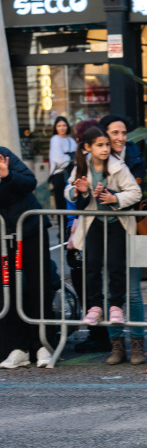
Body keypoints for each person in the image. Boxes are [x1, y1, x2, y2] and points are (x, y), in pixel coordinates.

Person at [65, 127, 142, 365]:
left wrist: (114, 198)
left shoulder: (118, 166)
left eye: (106, 145)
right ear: (87, 147)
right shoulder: (81, 167)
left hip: (116, 222)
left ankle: (116, 305)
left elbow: (135, 192)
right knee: (92, 265)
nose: (106, 149)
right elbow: (68, 192)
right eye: (100, 145)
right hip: (94, 223)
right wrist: (78, 190)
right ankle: (96, 306)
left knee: (116, 264)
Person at [97, 114, 146, 365]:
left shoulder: (135, 155)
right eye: (115, 133)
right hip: (104, 231)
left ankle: (137, 344)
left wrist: (115, 198)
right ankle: (116, 345)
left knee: (134, 291)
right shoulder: (93, 157)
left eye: (123, 133)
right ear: (104, 135)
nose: (120, 138)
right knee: (109, 290)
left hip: (131, 227)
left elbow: (137, 193)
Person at [0, 147, 53, 369]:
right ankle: (17, 349)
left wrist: (7, 175)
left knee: (38, 285)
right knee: (7, 291)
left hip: (30, 228)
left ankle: (43, 345)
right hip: (3, 236)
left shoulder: (3, 154)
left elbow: (29, 183)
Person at [49, 116, 77, 239]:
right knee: (61, 204)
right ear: (56, 127)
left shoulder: (71, 140)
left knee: (71, 203)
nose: (62, 128)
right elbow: (58, 159)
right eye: (59, 126)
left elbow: (77, 156)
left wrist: (70, 157)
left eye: (64, 125)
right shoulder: (55, 139)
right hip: (59, 175)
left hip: (71, 174)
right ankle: (62, 230)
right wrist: (69, 158)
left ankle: (70, 229)